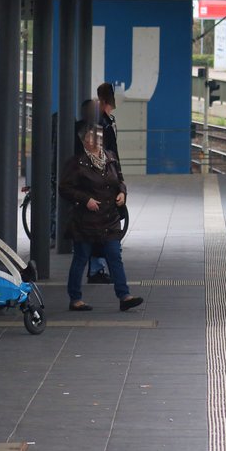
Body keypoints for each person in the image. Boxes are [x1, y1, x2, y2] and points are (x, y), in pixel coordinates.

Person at [59, 123, 142, 313]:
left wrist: (122, 193)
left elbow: (119, 181)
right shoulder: (76, 163)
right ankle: (75, 298)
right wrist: (85, 199)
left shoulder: (110, 158)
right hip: (86, 220)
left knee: (114, 255)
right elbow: (65, 188)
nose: (95, 140)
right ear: (83, 141)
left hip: (109, 218)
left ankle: (124, 295)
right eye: (90, 137)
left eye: (98, 136)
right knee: (81, 257)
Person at [73, 99, 110, 283]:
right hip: (87, 192)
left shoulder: (99, 127)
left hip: (96, 189)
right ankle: (94, 272)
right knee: (88, 241)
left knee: (97, 237)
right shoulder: (80, 130)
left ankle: (97, 270)